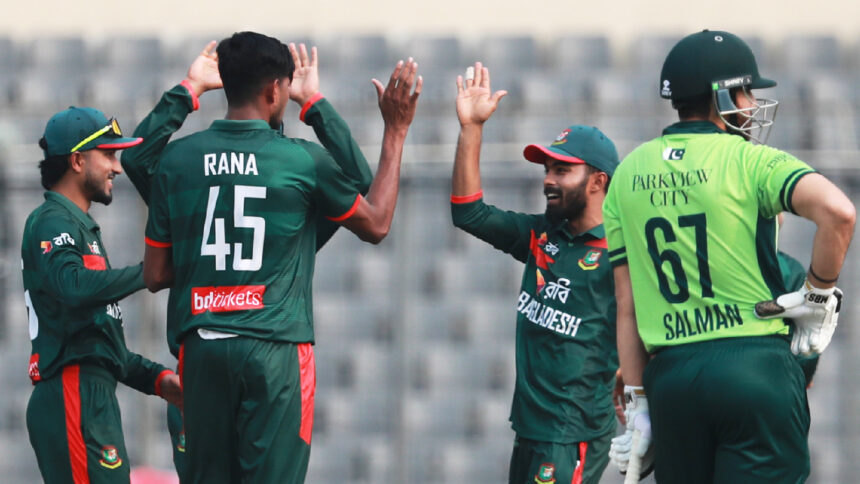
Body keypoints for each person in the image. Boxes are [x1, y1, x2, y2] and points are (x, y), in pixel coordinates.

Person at [142, 31, 421, 483]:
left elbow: (155, 273)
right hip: (274, 351)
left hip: (201, 348)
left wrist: (188, 89)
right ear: (276, 90)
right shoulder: (299, 161)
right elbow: (376, 221)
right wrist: (389, 127)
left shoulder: (179, 160)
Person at [603, 29, 855, 483]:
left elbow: (627, 306)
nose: (753, 102)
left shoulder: (626, 174)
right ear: (723, 95)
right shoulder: (750, 159)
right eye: (746, 91)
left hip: (672, 378)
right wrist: (818, 294)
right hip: (752, 367)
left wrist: (639, 402)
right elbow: (839, 212)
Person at [450, 62, 619, 484]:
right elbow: (469, 213)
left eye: (562, 170)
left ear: (597, 181)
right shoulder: (541, 234)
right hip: (530, 428)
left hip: (572, 433)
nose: (548, 180)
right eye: (547, 169)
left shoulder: (621, 253)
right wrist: (471, 128)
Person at [22, 108, 183, 482]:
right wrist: (149, 272)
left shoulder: (79, 227)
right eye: (109, 155)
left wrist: (159, 380)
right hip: (72, 390)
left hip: (90, 393)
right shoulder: (53, 221)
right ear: (77, 160)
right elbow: (74, 287)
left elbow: (99, 344)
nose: (117, 167)